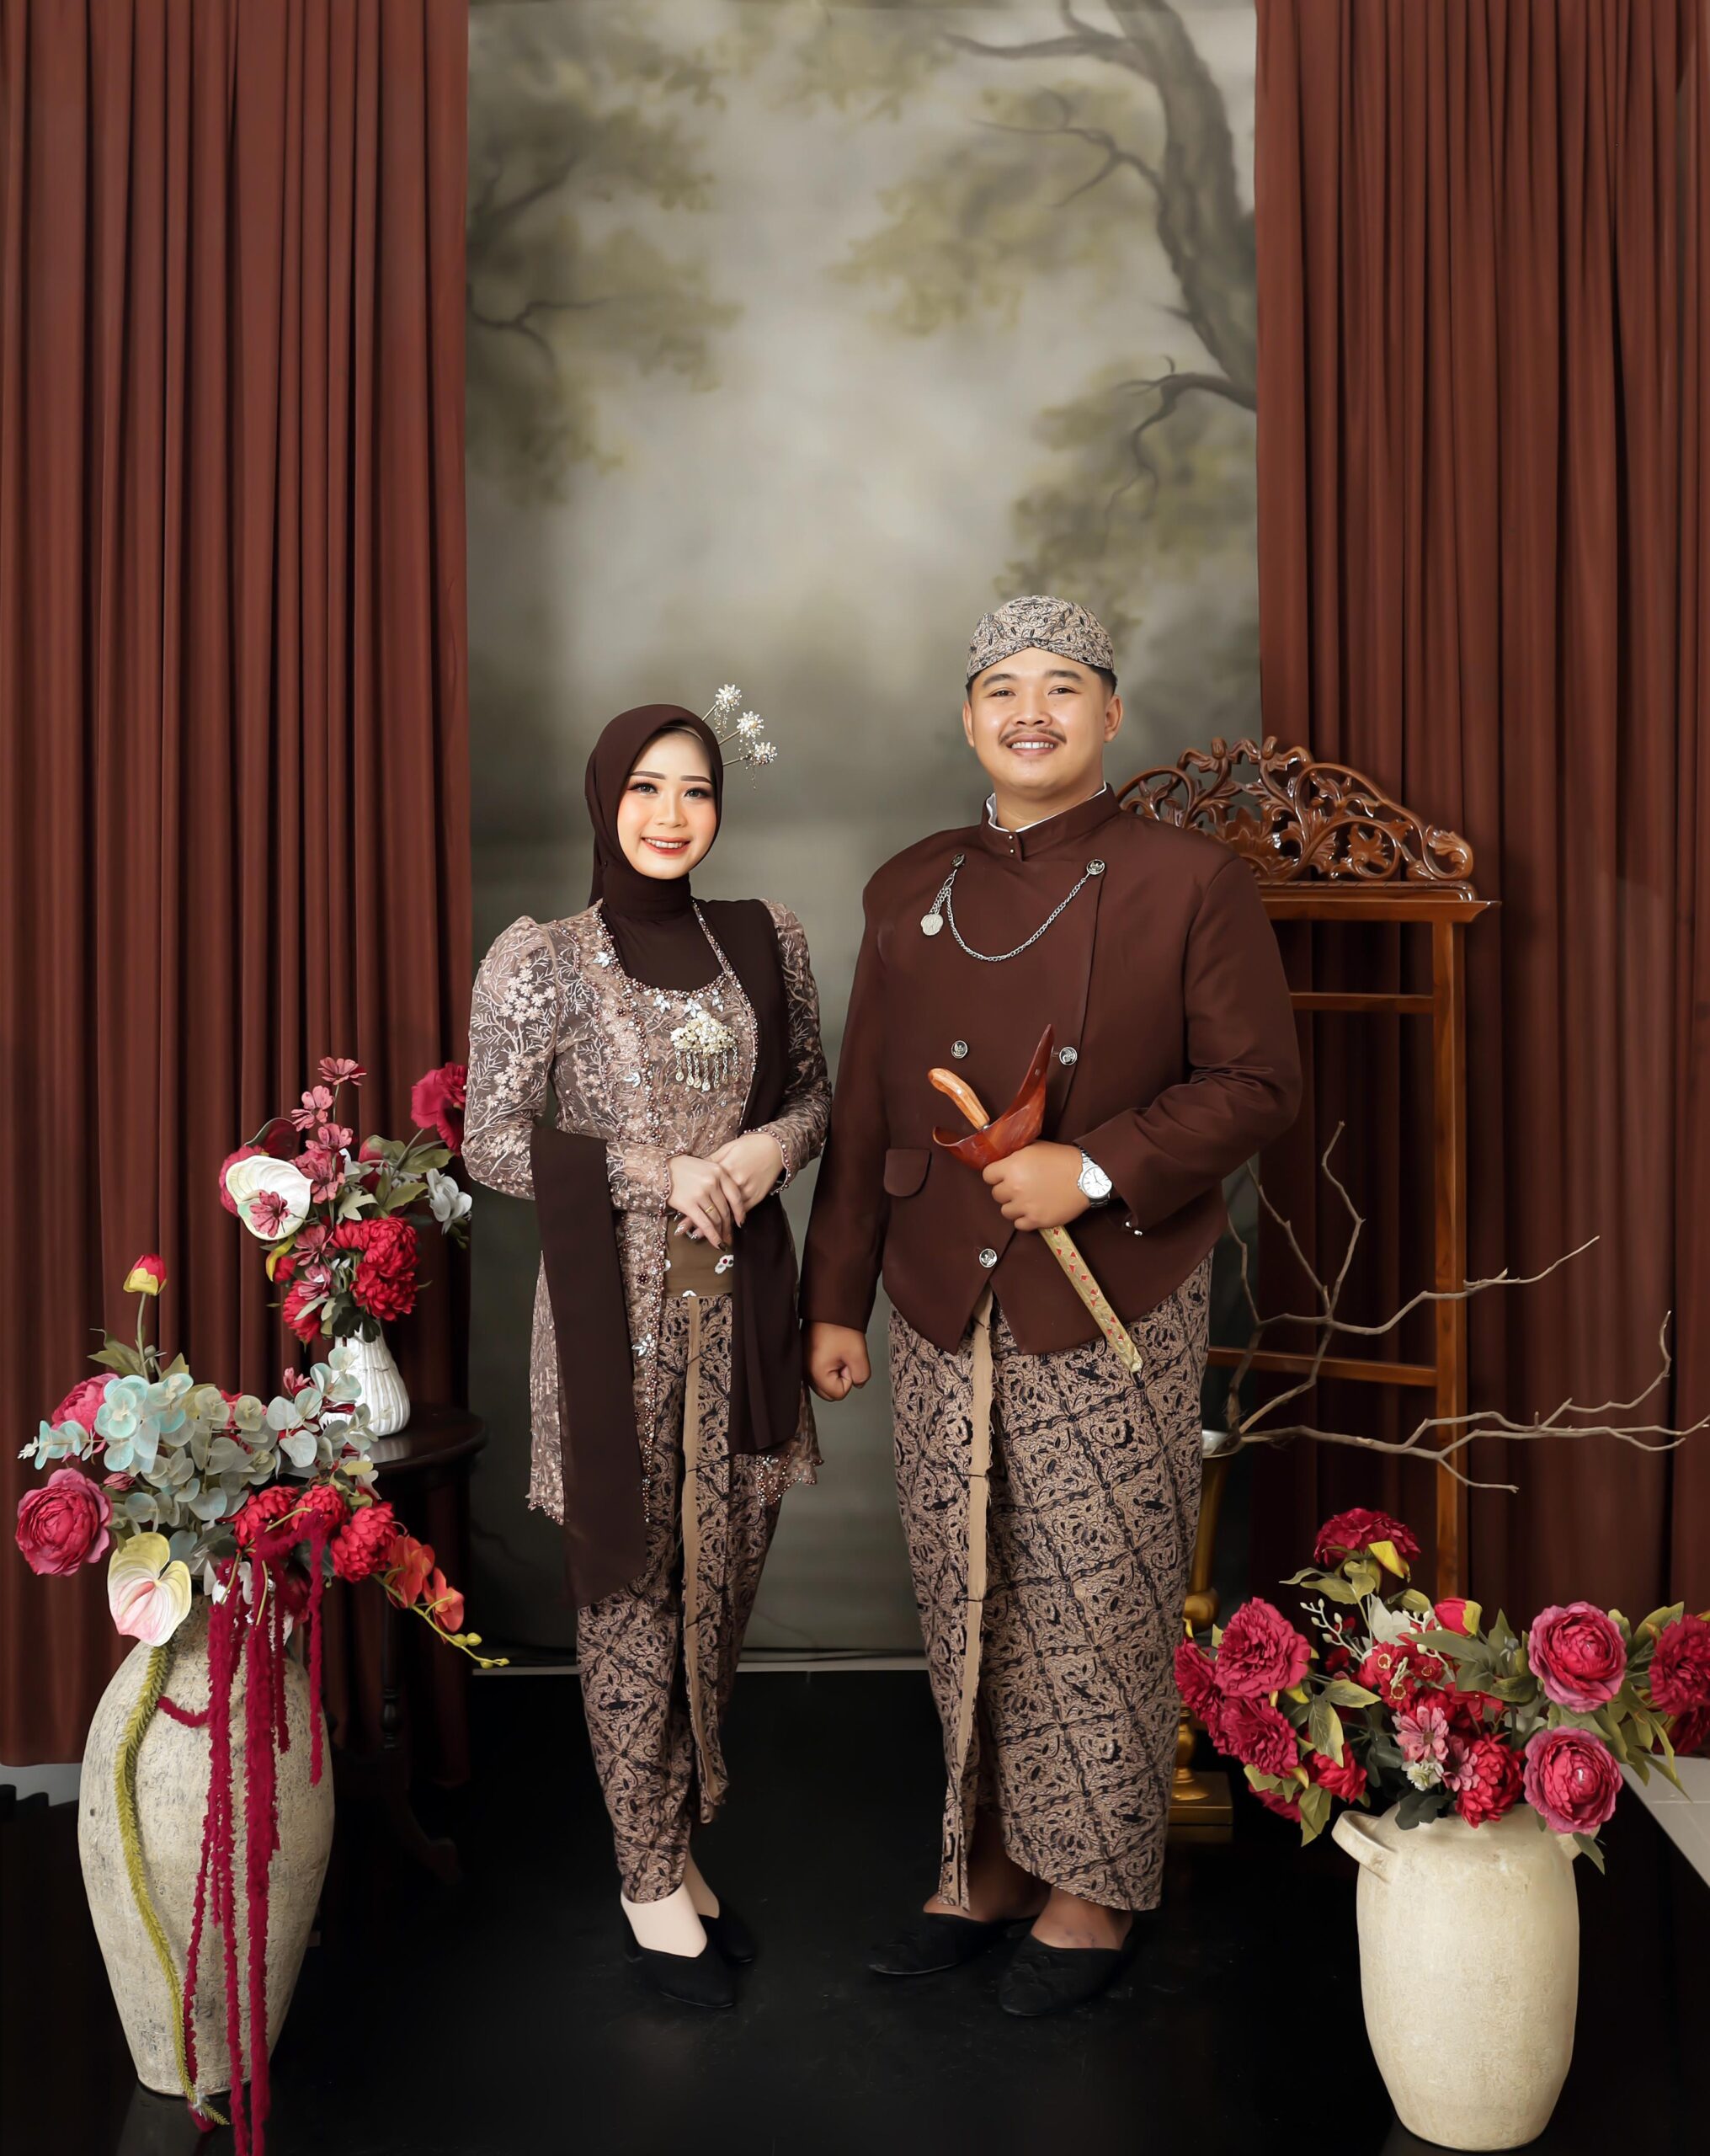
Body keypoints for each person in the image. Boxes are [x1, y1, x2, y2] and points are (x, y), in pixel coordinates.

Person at [800, 597, 1301, 2016]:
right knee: (967, 1585)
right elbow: (864, 1109)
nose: (1032, 710)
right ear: (968, 718)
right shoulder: (906, 886)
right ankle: (990, 1863)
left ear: (1111, 713)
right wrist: (836, 1297)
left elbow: (1260, 1084)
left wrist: (1088, 1166)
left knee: (1102, 1586)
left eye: (1064, 685)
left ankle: (1095, 1882)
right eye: (1003, 687)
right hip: (936, 1287)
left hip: (1113, 1283)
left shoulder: (1189, 880)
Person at [465, 702, 828, 2009]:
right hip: (611, 1317)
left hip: (743, 1307)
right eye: (645, 789)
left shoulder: (767, 939)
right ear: (603, 799)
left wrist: (762, 1151)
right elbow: (488, 1136)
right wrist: (653, 1170)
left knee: (724, 1562)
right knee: (630, 1579)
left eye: (696, 790)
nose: (672, 815)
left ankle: (671, 1841)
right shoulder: (543, 958)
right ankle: (646, 1876)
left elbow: (815, 1096)